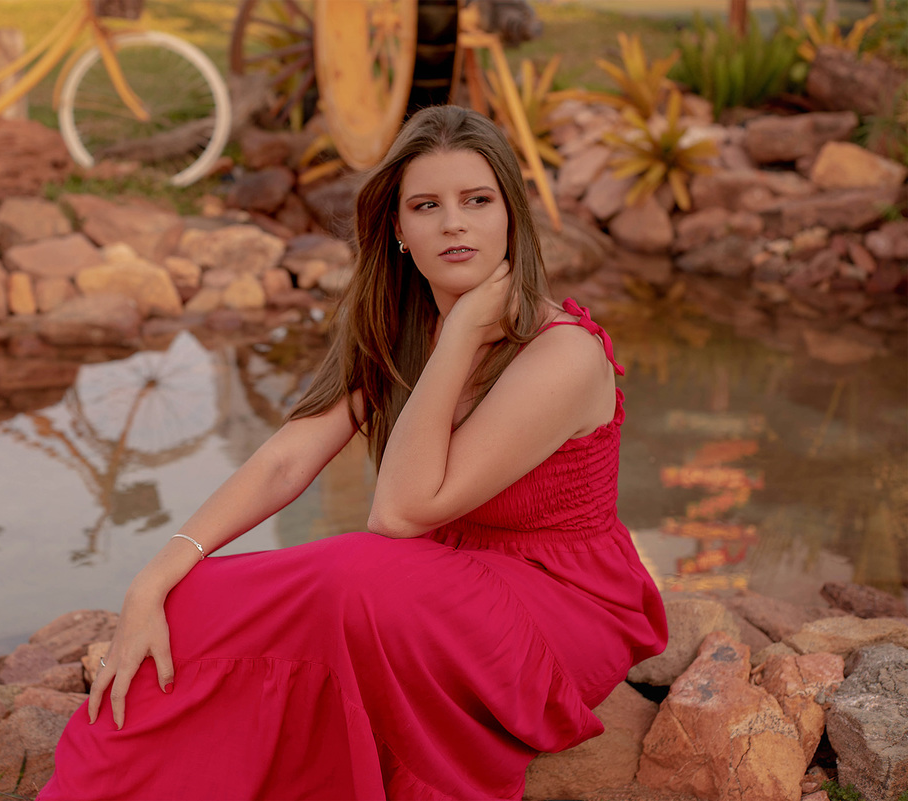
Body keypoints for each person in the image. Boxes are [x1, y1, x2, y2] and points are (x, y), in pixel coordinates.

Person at [37, 105, 667, 801]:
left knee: (355, 573)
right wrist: (155, 578)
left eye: (477, 201)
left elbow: (398, 514)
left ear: (511, 217)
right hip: (432, 585)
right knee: (197, 601)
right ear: (397, 229)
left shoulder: (563, 354)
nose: (453, 224)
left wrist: (462, 336)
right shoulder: (400, 325)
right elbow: (286, 460)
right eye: (426, 206)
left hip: (558, 607)